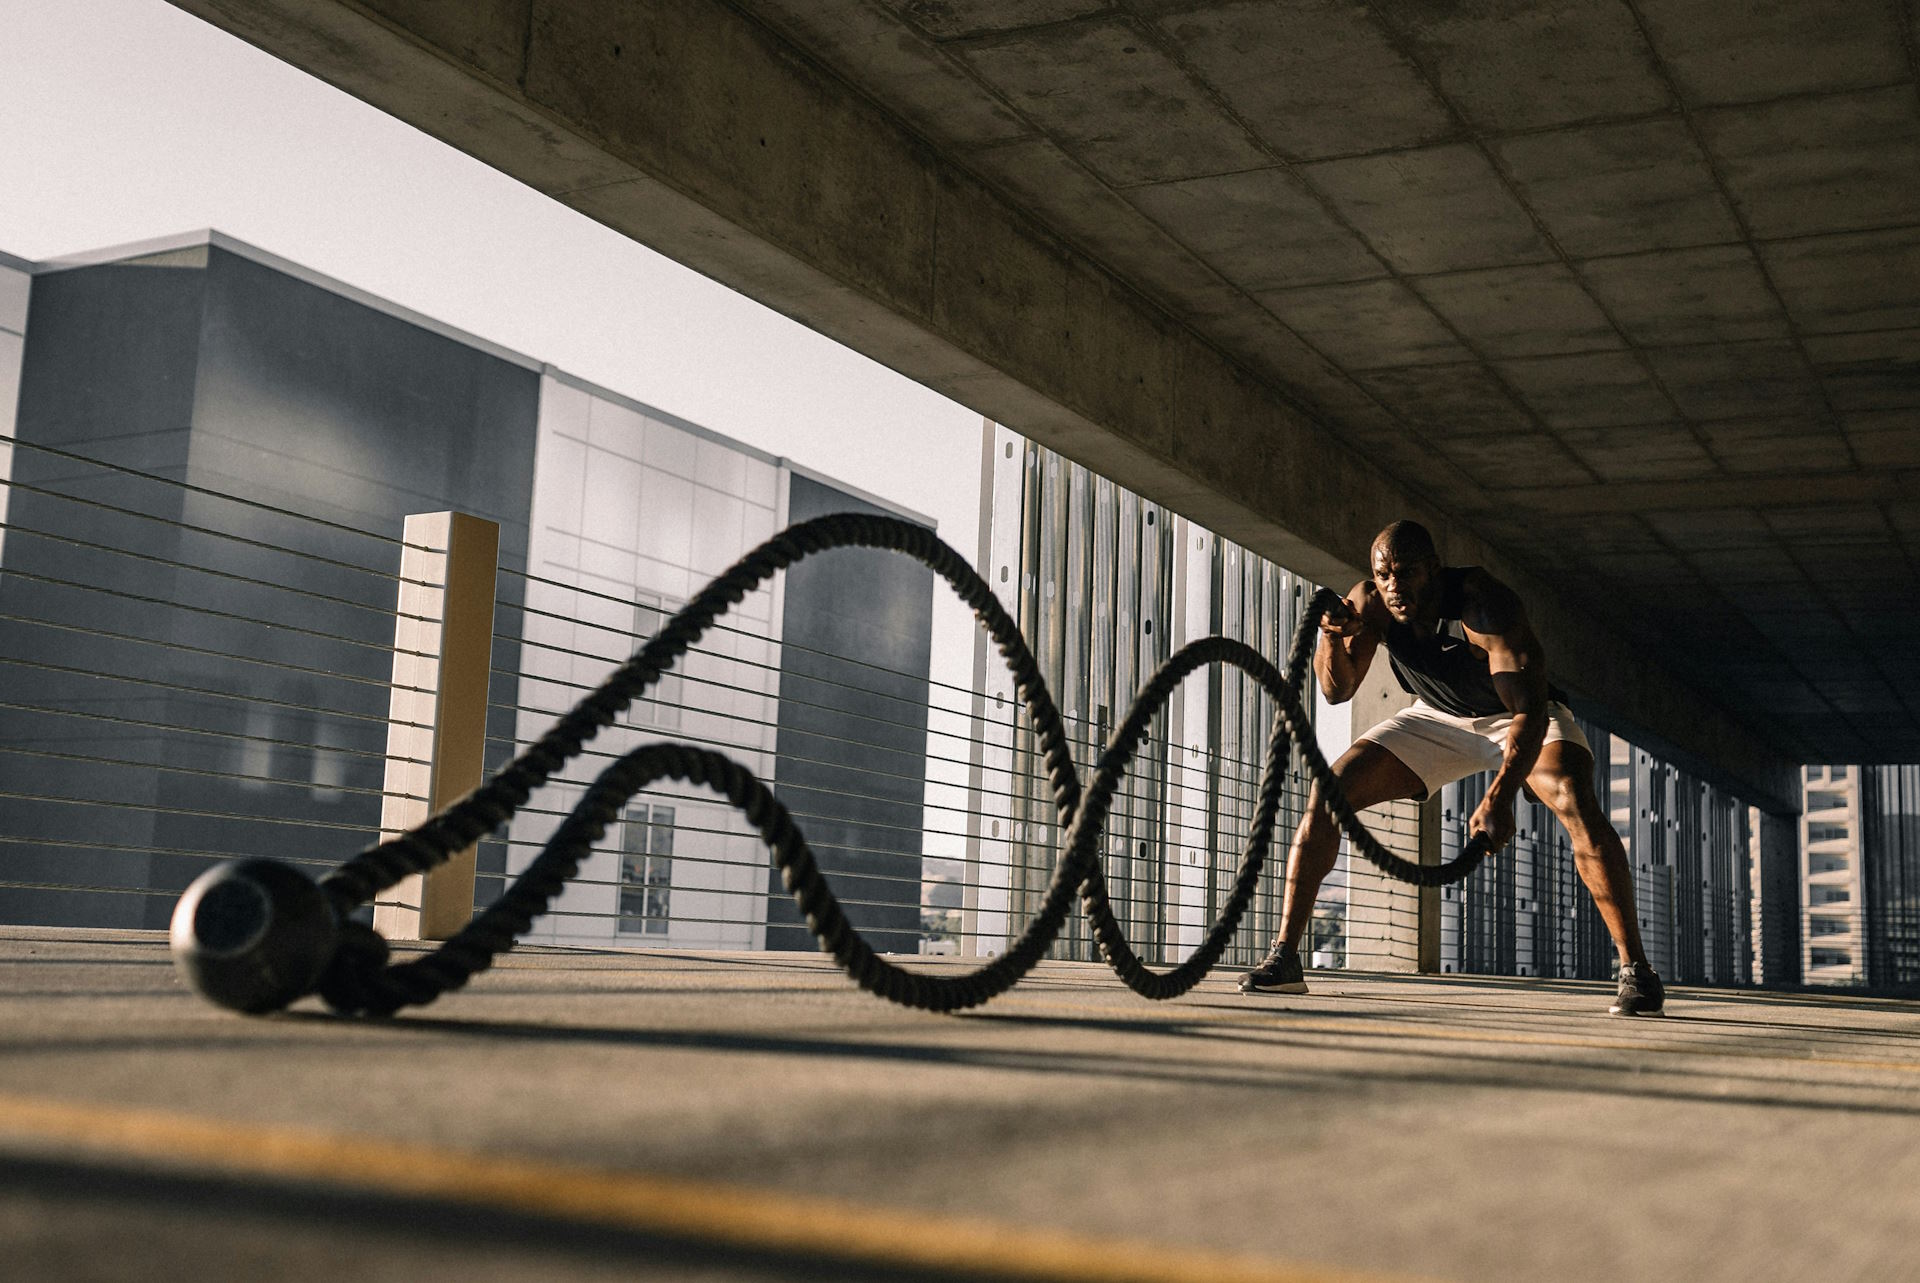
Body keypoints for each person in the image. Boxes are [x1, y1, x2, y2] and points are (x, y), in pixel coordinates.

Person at [1239, 520, 1664, 1016]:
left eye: (1406, 572)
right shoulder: (1372, 602)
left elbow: (1528, 710)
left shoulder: (1484, 604)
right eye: (1384, 574)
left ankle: (1636, 971)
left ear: (1433, 570)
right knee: (1329, 792)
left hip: (1518, 717)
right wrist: (1332, 637)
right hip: (1436, 717)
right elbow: (1337, 691)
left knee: (1573, 796)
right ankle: (1286, 957)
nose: (1394, 586)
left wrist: (1500, 796)